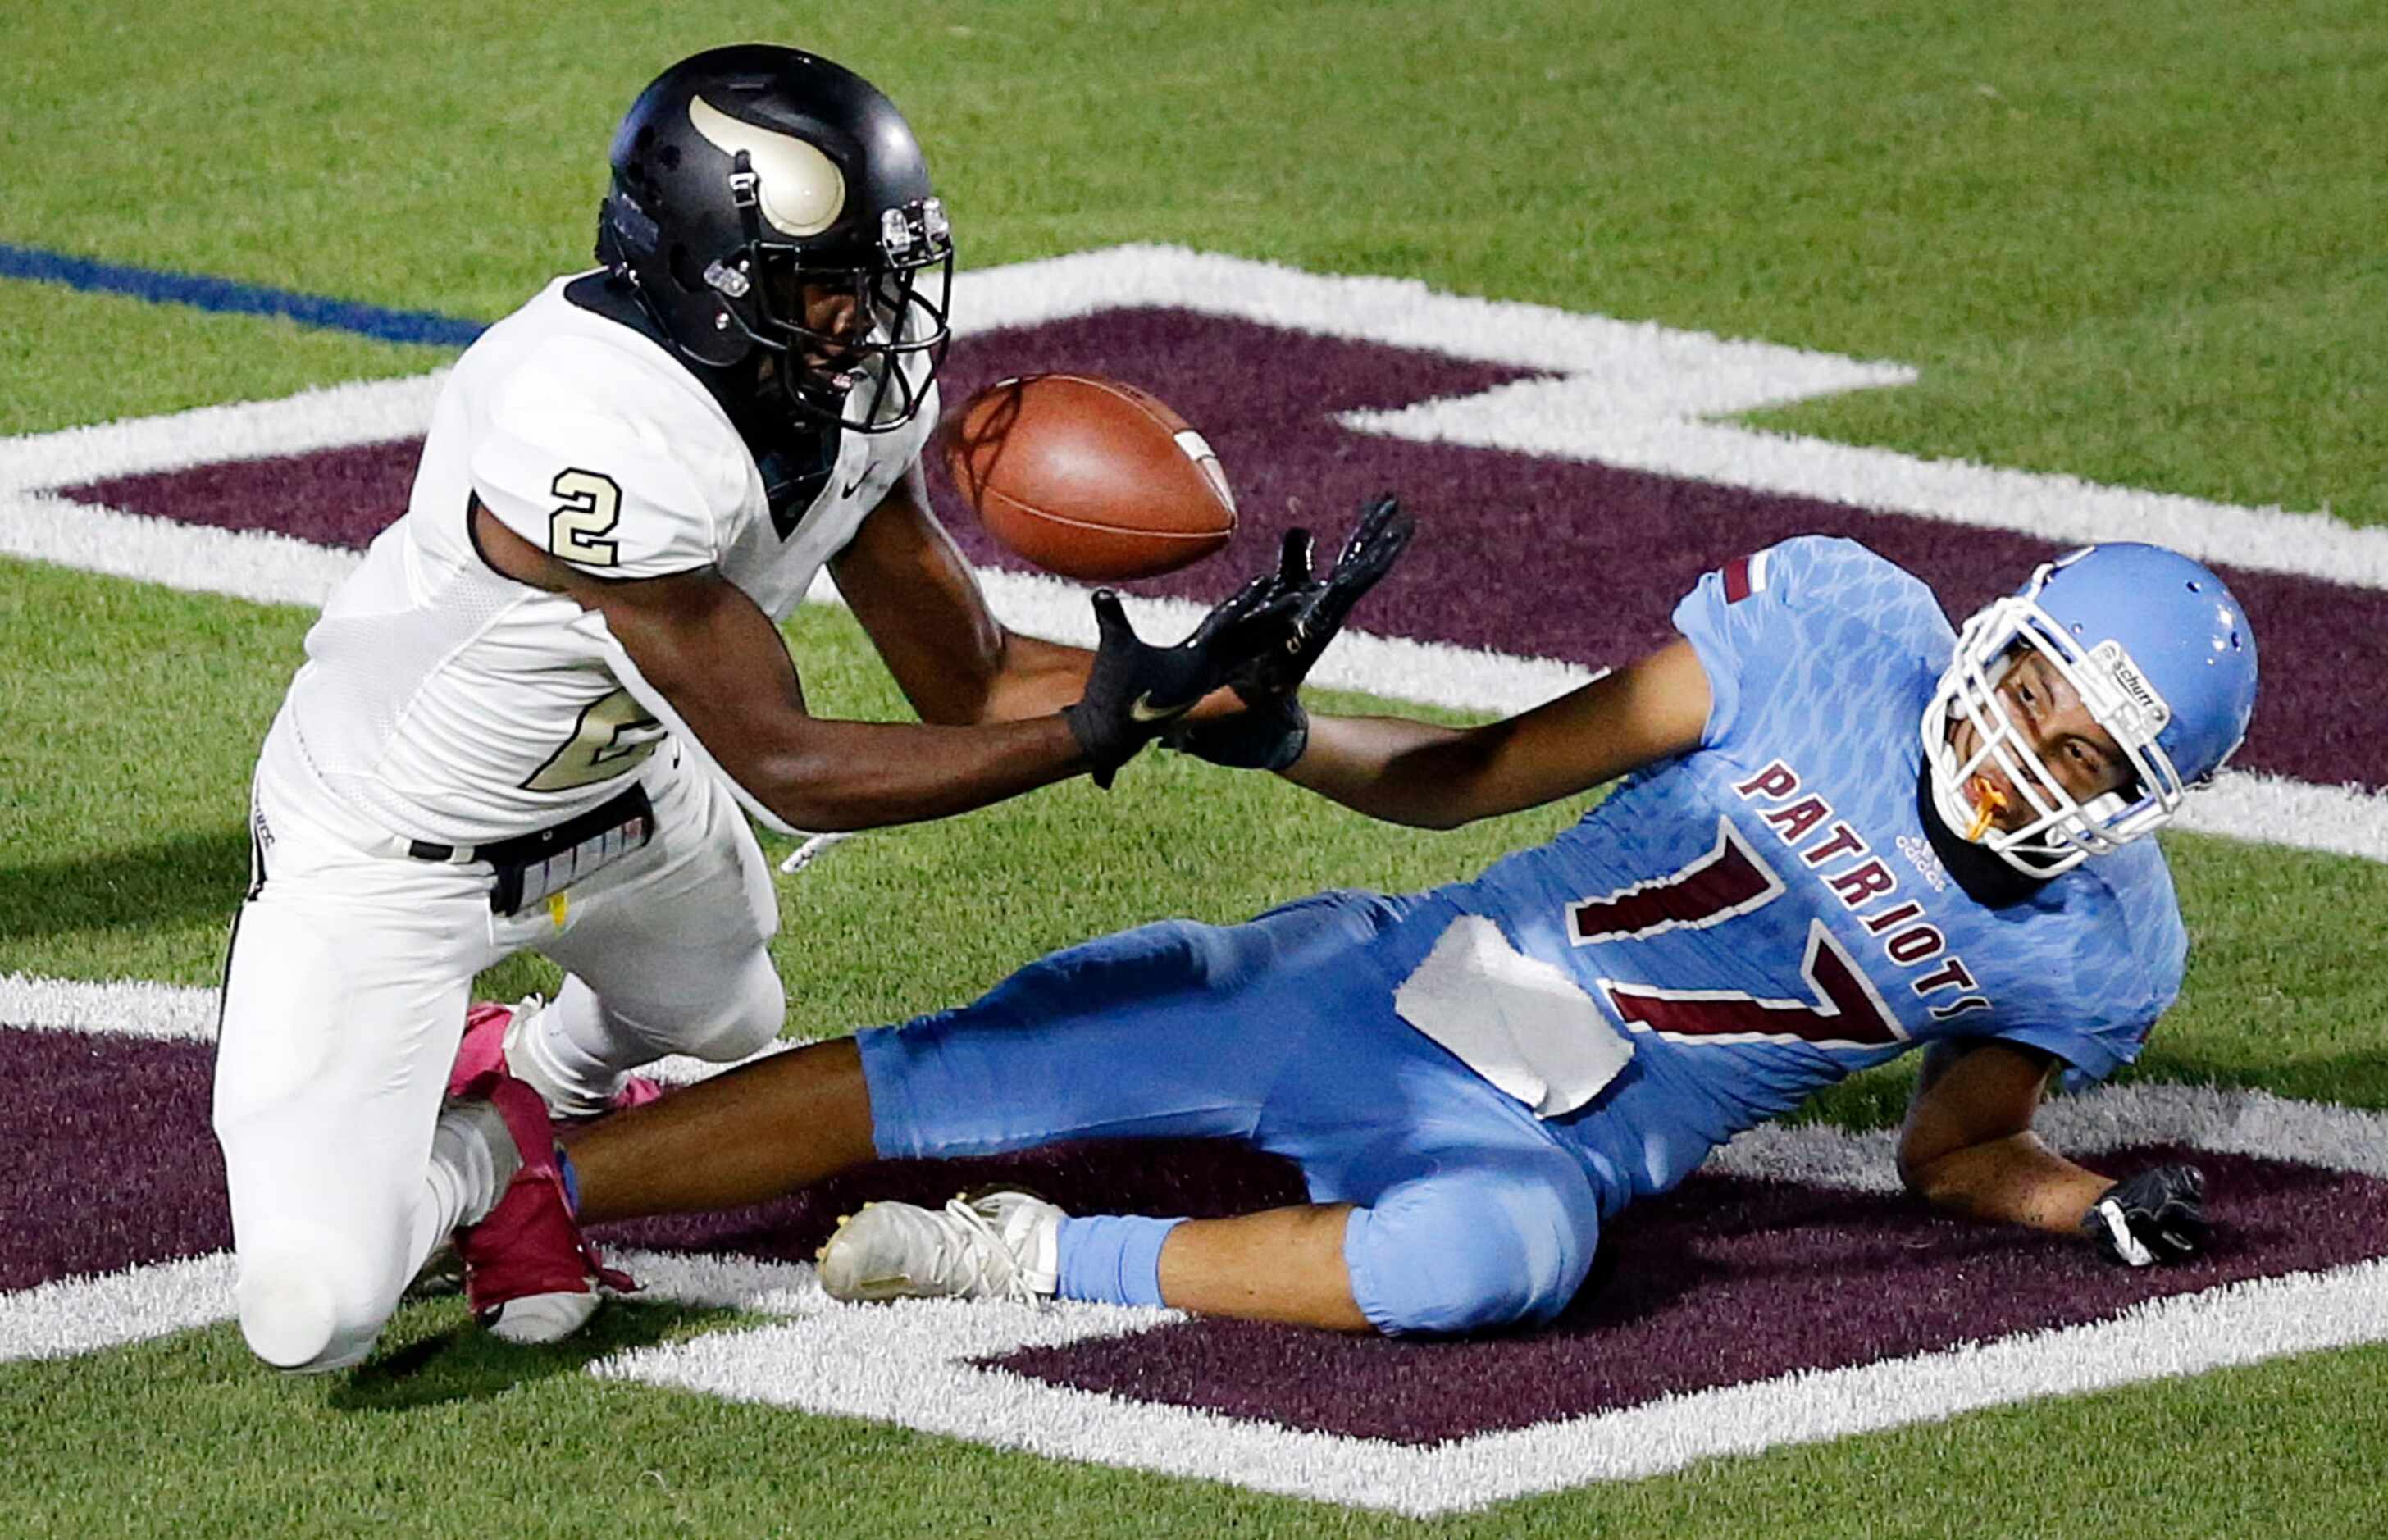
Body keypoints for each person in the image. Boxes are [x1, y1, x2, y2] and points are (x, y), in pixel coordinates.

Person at [211, 43, 1324, 1374]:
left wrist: (1196, 679)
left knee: (729, 1015)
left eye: (881, 283)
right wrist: (1092, 733)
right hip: (392, 848)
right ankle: (475, 1174)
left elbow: (963, 676)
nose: (871, 327)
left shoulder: (835, 402)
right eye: (829, 289)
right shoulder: (582, 421)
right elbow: (791, 765)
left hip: (618, 797)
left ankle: (515, 1092)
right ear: (702, 279)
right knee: (315, 1311)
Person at [504, 532, 2254, 1337]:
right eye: (2035, 689)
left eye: (2089, 747)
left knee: (1499, 1263)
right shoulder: (1819, 637)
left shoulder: (2094, 950)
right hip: (1395, 981)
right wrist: (1279, 736)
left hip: (1560, 1141)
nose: (2030, 741)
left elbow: (1957, 1153)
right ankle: (518, 1183)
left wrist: (2077, 1198)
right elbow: (1464, 781)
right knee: (979, 1060)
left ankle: (1026, 1258)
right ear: (1993, 634)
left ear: (2140, 797)